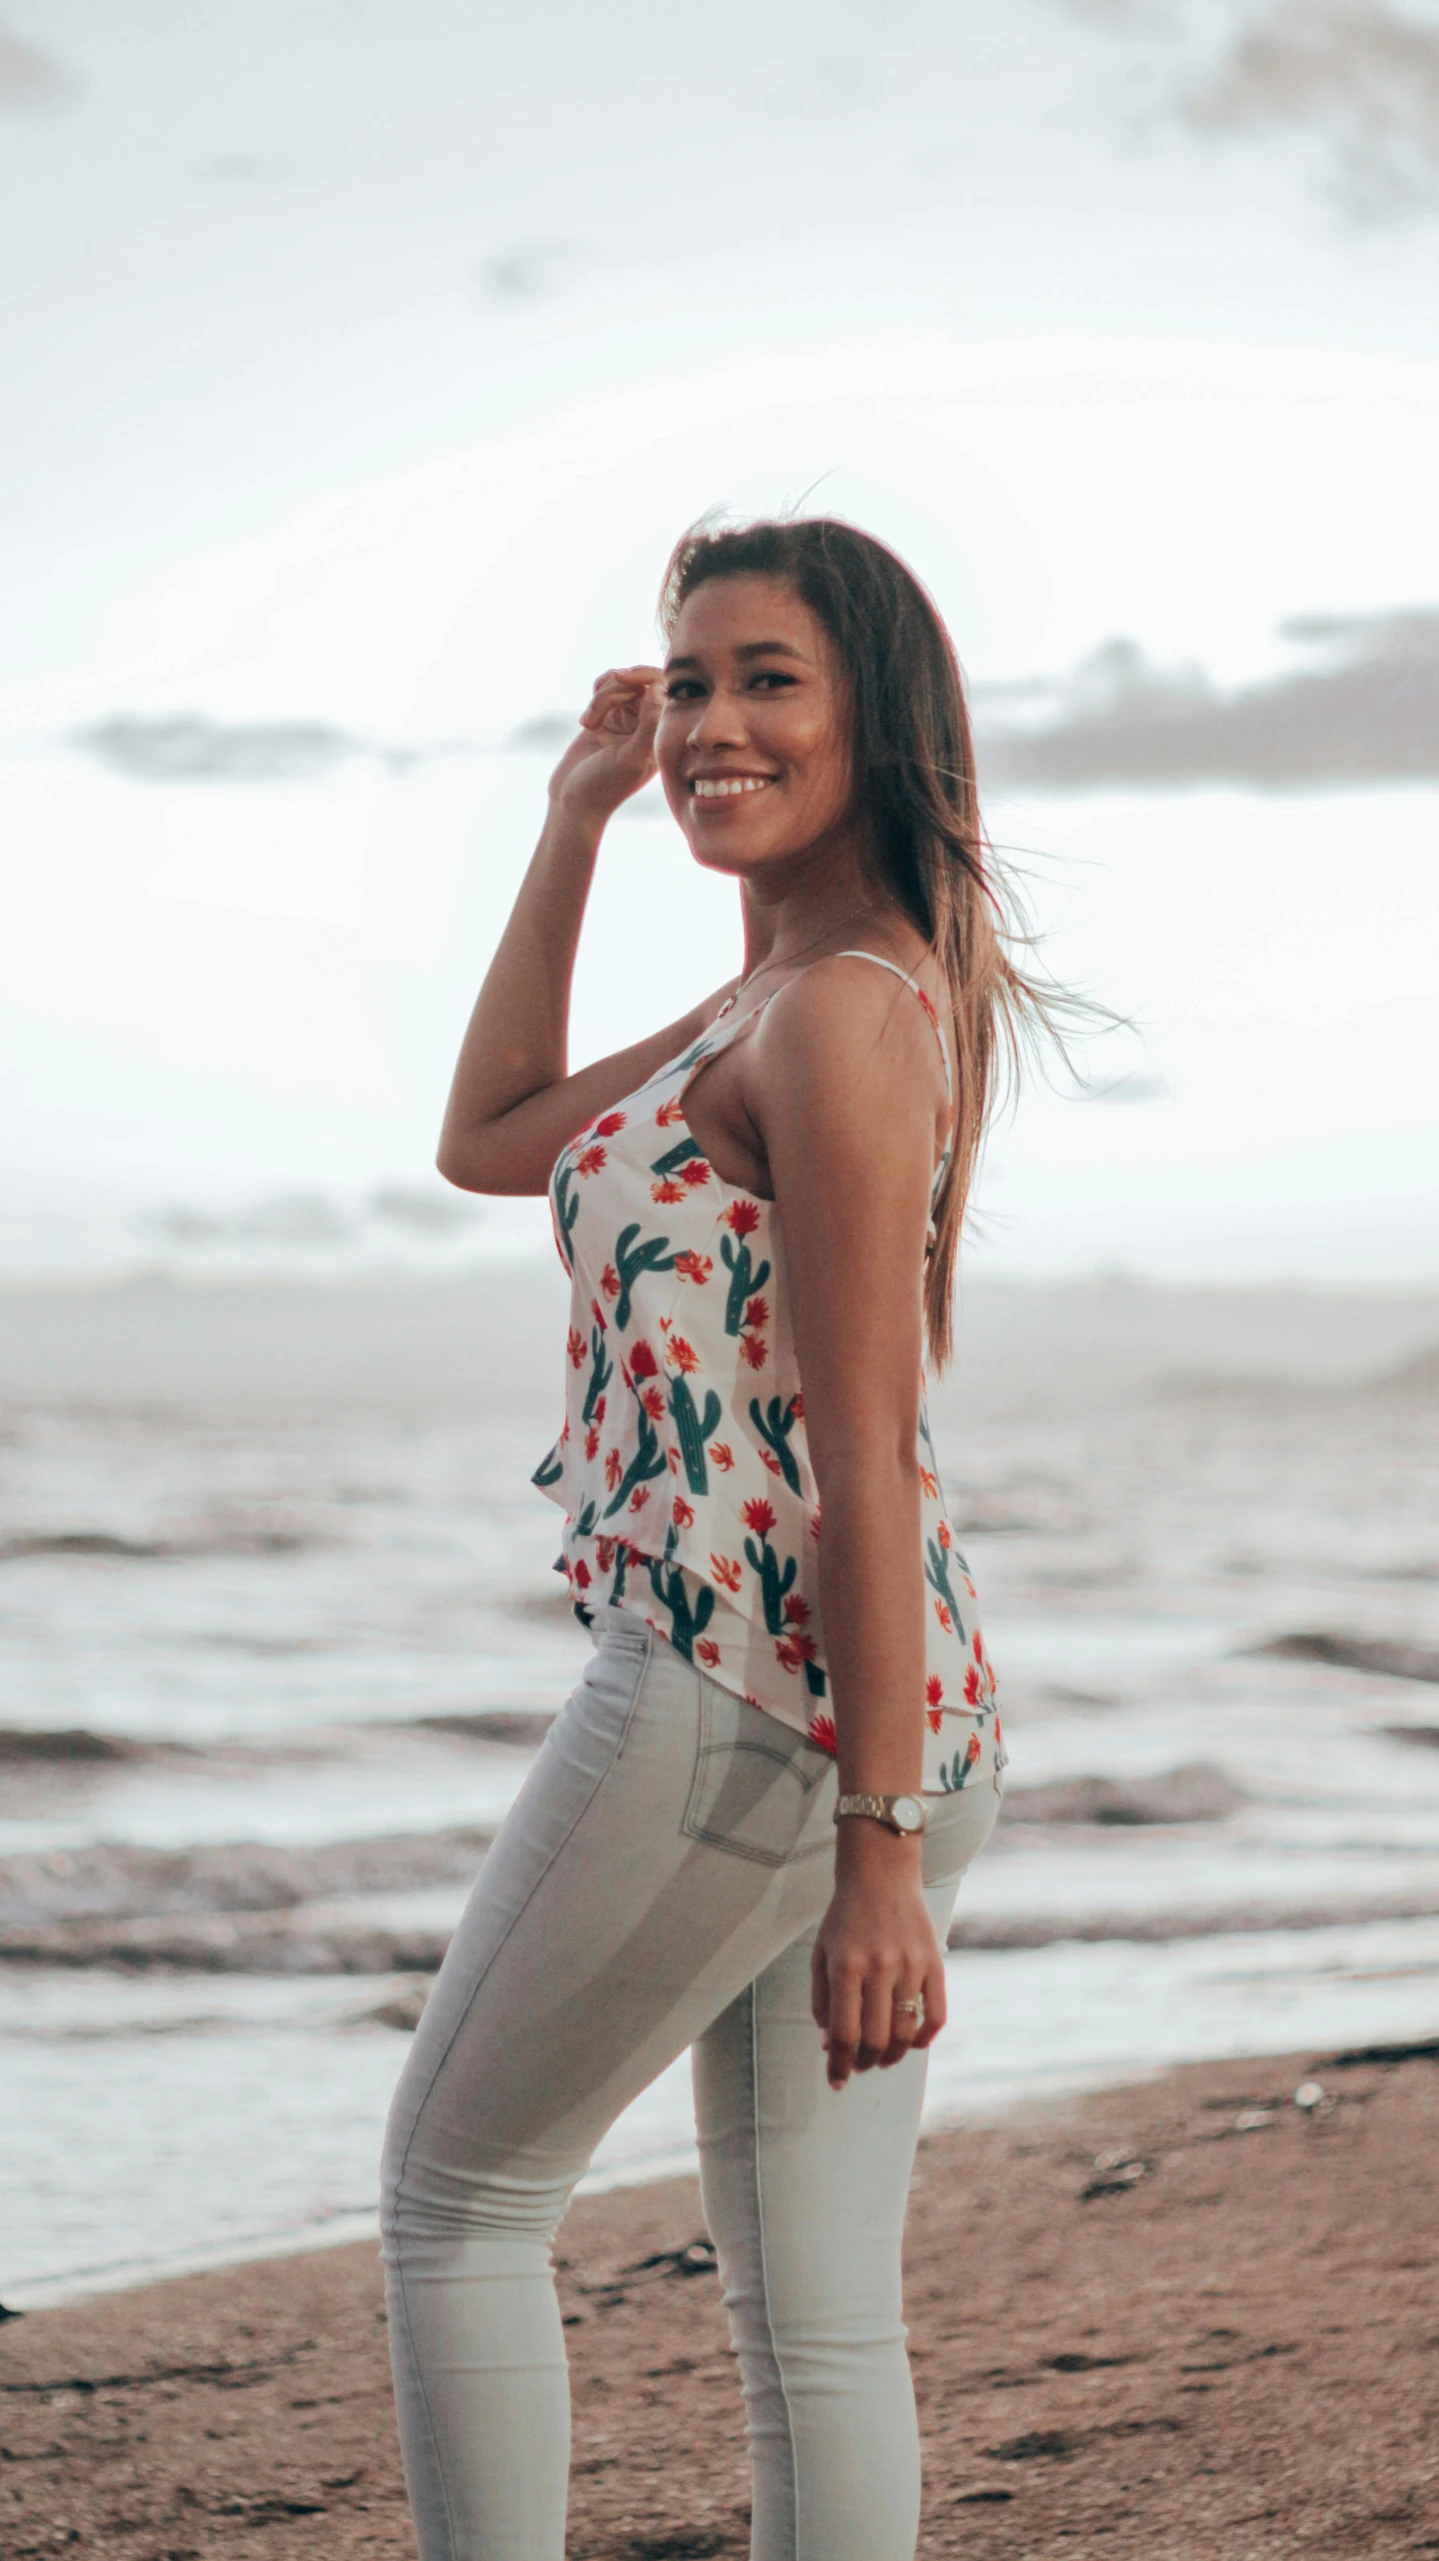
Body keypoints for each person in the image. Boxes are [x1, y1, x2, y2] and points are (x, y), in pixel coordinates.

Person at [381, 516, 1052, 2561]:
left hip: (752, 1699)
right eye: (687, 681)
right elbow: (488, 1137)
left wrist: (878, 1853)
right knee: (813, 2320)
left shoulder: (838, 1013)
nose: (708, 724)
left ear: (875, 719)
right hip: (857, 1712)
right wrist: (574, 819)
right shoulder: (759, 995)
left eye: (767, 678)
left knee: (456, 2199)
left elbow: (866, 1445)